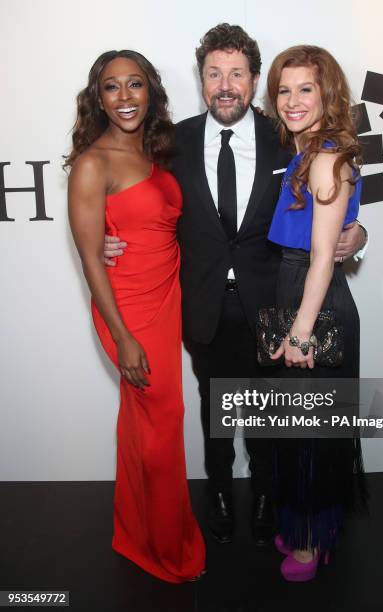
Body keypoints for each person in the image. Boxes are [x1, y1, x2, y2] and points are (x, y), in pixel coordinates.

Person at [104, 25, 367, 546]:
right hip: (204, 305)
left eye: (237, 74)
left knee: (274, 412)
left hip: (276, 306)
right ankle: (220, 492)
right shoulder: (169, 141)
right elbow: (137, 197)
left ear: (253, 82)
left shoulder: (286, 134)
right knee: (214, 404)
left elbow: (333, 202)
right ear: (201, 79)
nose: (225, 85)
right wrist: (107, 237)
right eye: (213, 74)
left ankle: (270, 494)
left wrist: (357, 235)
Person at [66, 50, 205, 583]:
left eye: (135, 85)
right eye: (111, 87)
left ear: (151, 91)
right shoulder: (92, 163)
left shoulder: (157, 151)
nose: (124, 97)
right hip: (129, 311)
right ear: (96, 98)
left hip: (167, 296)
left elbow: (165, 225)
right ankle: (166, 550)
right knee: (163, 426)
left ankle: (133, 532)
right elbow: (89, 260)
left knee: (140, 425)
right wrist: (122, 337)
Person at [265, 45, 368, 581]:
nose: (292, 99)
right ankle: (312, 527)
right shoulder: (310, 152)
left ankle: (310, 545)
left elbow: (324, 255)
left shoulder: (326, 155)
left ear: (328, 94)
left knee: (312, 432)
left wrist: (302, 329)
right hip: (300, 294)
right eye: (284, 89)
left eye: (306, 88)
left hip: (315, 303)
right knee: (304, 427)